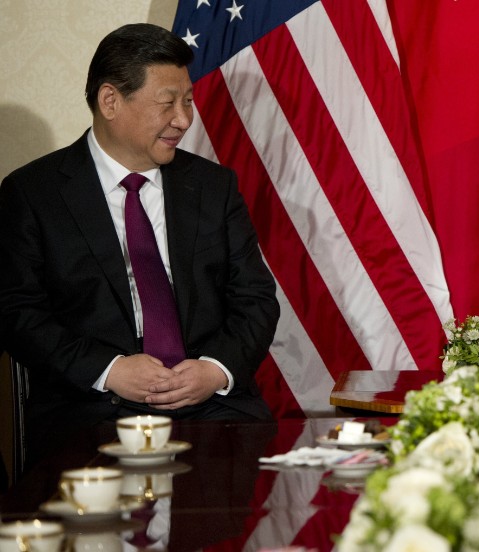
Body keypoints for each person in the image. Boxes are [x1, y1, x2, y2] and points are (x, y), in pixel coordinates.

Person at [0, 23, 279, 471]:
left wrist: (215, 370)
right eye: (167, 103)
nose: (184, 120)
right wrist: (110, 370)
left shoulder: (212, 186)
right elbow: (18, 312)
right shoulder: (34, 194)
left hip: (213, 409)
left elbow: (256, 299)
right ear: (111, 100)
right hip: (91, 410)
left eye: (188, 101)